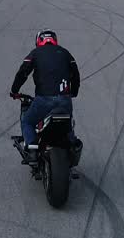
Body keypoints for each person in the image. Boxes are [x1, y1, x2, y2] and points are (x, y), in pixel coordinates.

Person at [10, 29, 82, 163]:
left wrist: (14, 91)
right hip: (64, 100)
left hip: (44, 100)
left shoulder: (35, 53)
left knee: (27, 121)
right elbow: (76, 74)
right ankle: (72, 143)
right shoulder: (65, 53)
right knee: (68, 124)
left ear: (38, 41)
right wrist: (74, 92)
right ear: (54, 40)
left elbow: (22, 72)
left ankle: (31, 149)